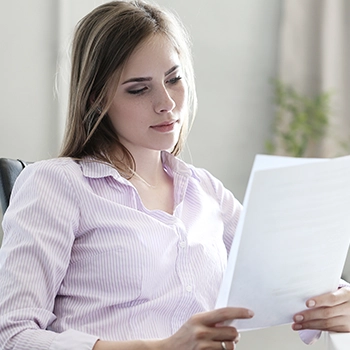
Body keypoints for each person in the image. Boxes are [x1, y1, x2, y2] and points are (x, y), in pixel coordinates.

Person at [0, 1, 349, 349]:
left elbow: (294, 280)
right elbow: (12, 335)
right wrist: (161, 348)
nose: (166, 102)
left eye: (174, 79)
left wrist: (338, 302)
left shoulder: (205, 191)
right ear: (95, 99)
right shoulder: (57, 185)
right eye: (139, 89)